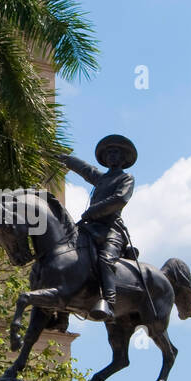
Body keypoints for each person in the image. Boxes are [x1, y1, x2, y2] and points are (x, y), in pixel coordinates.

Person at [59, 134, 138, 321]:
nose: (112, 156)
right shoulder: (101, 178)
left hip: (111, 230)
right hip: (90, 228)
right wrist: (64, 158)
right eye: (109, 153)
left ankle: (109, 302)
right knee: (64, 253)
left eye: (116, 153)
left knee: (105, 260)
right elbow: (85, 169)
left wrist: (92, 211)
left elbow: (119, 199)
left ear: (123, 158)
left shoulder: (126, 179)